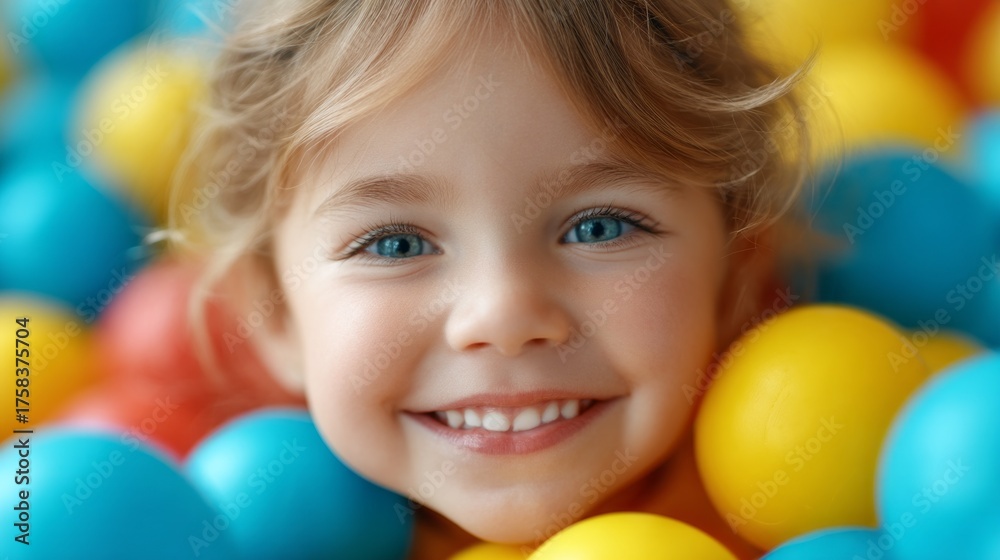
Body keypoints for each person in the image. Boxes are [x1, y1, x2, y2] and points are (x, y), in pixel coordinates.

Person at [171, 0, 812, 557]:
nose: (503, 315)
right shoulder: (230, 530)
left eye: (600, 228)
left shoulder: (811, 504)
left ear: (736, 273)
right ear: (276, 312)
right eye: (397, 244)